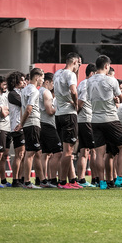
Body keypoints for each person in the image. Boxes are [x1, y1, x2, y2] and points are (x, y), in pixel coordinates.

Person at [88, 55, 122, 189]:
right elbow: (121, 98)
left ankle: (102, 182)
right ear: (106, 66)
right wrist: (116, 99)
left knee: (100, 153)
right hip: (110, 118)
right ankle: (120, 178)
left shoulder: (88, 81)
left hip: (94, 119)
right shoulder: (111, 80)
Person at [54, 52, 82, 188]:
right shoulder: (70, 74)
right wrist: (76, 104)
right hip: (68, 114)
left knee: (67, 149)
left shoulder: (57, 73)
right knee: (68, 151)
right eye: (78, 64)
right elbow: (73, 90)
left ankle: (72, 180)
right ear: (75, 62)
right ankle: (62, 181)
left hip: (59, 114)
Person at [15, 68, 45, 189]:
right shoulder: (34, 91)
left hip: (28, 123)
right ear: (37, 77)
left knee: (37, 152)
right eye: (42, 78)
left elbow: (23, 108)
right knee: (31, 153)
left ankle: (42, 180)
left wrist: (22, 122)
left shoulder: (24, 90)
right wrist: (22, 123)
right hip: (32, 122)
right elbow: (28, 109)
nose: (42, 80)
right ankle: (27, 182)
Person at [39, 72, 62, 188]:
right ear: (47, 82)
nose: (53, 86)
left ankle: (43, 179)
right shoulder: (46, 92)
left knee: (45, 153)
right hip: (47, 124)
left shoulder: (39, 92)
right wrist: (59, 107)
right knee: (58, 152)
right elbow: (49, 111)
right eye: (52, 83)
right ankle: (53, 179)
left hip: (41, 124)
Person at [76, 63, 97, 187]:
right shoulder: (86, 84)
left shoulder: (82, 83)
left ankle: (82, 179)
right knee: (93, 150)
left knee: (84, 151)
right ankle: (95, 178)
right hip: (87, 120)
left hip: (83, 120)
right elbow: (81, 102)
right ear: (92, 74)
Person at [6, 71, 26, 187]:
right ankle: (15, 179)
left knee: (23, 154)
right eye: (22, 80)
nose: (24, 82)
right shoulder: (12, 94)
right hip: (17, 126)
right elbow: (24, 103)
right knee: (19, 154)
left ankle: (21, 178)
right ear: (16, 81)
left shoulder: (20, 92)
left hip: (22, 126)